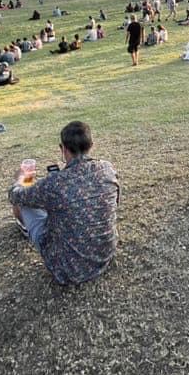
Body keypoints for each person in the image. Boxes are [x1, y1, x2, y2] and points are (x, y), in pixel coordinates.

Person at [8, 121, 119, 285]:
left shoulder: (55, 183)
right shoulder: (107, 169)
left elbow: (15, 196)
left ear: (63, 149)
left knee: (26, 201)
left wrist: (20, 179)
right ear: (91, 145)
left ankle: (25, 228)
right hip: (104, 254)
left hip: (67, 270)